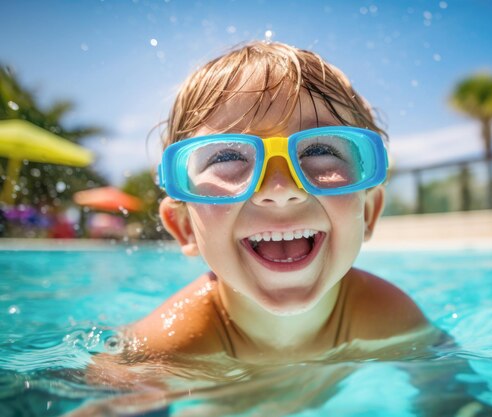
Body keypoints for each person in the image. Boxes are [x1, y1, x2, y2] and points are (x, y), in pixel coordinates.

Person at [127, 41, 433, 364]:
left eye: (319, 151)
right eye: (228, 155)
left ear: (368, 213)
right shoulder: (166, 350)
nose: (280, 188)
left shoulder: (391, 319)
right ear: (186, 226)